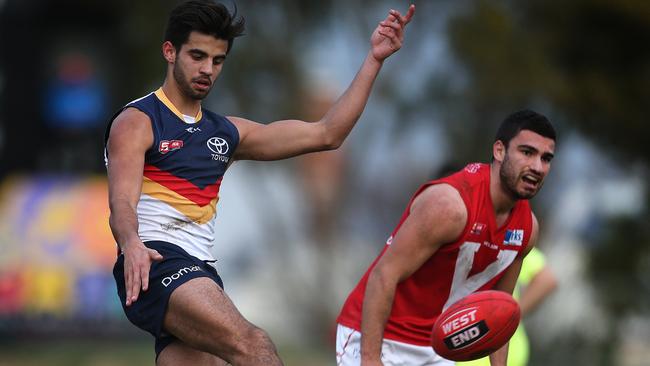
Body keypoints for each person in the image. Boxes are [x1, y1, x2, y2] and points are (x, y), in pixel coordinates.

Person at [104, 1, 415, 365]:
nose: (207, 69)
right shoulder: (137, 121)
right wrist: (132, 244)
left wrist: (374, 59)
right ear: (170, 52)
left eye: (217, 60)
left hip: (200, 270)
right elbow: (121, 204)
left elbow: (327, 134)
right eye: (198, 56)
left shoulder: (226, 132)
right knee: (254, 344)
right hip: (156, 263)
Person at [336, 110, 557, 366]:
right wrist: (370, 359)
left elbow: (500, 311)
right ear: (499, 151)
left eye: (546, 158)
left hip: (436, 350)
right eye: (527, 152)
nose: (537, 167)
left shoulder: (527, 228)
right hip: (379, 339)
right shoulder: (450, 206)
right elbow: (383, 276)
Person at [457, 247, 558, 366]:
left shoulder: (505, 241)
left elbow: (546, 280)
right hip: (492, 350)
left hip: (486, 351)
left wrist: (507, 317)